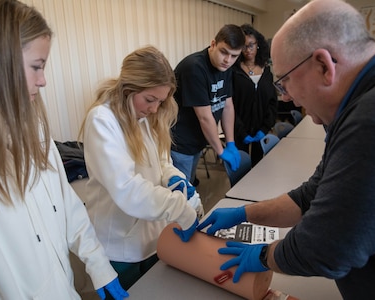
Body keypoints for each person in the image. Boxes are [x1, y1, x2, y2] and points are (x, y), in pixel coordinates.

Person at [197, 0, 375, 298]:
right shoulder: (372, 99)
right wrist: (245, 213)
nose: (288, 98)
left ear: (323, 65)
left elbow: (328, 246)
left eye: (284, 82)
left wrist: (262, 257)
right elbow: (314, 194)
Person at [0, 0, 128, 299]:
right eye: (36, 66)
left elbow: (67, 205)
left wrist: (97, 264)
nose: (43, 80)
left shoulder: (33, 131)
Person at [79, 46, 202, 291]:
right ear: (129, 88)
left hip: (153, 234)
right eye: (150, 99)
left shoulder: (146, 116)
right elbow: (127, 189)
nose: (155, 108)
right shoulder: (102, 120)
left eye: (161, 101)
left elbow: (162, 162)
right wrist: (180, 209)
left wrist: (174, 178)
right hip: (120, 244)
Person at [170, 24, 246, 183]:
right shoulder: (195, 68)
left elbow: (227, 105)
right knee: (182, 193)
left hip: (198, 141)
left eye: (234, 56)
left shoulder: (226, 67)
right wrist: (220, 150)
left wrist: (230, 143)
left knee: (189, 186)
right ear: (213, 44)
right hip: (180, 144)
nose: (227, 60)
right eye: (224, 52)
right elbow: (204, 117)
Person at [232, 24, 278, 167]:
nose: (248, 50)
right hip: (239, 131)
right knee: (240, 168)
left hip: (261, 129)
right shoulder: (234, 71)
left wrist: (264, 128)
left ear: (258, 45)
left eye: (251, 45)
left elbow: (272, 102)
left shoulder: (266, 71)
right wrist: (241, 131)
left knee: (259, 168)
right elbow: (230, 105)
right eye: (243, 46)